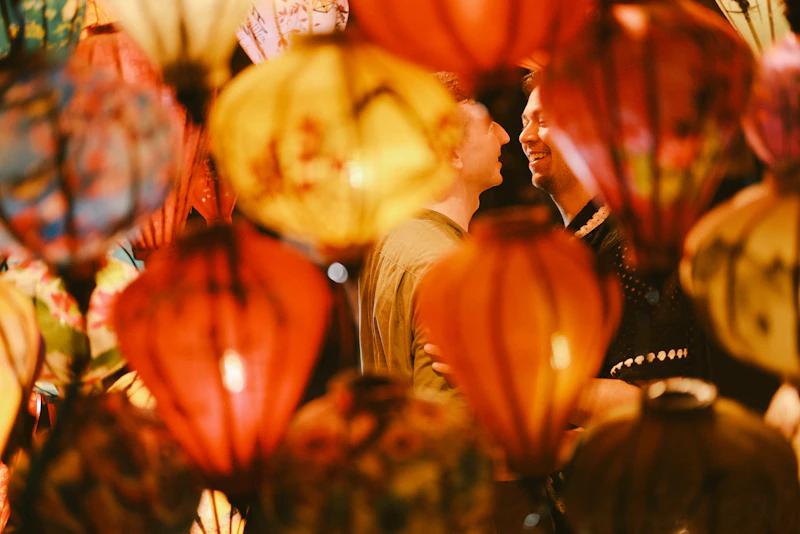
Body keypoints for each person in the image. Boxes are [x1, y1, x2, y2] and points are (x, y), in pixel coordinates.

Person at [359, 72, 510, 398]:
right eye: (488, 126)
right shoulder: (452, 269)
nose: (504, 136)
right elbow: (453, 417)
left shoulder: (390, 239)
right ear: (452, 151)